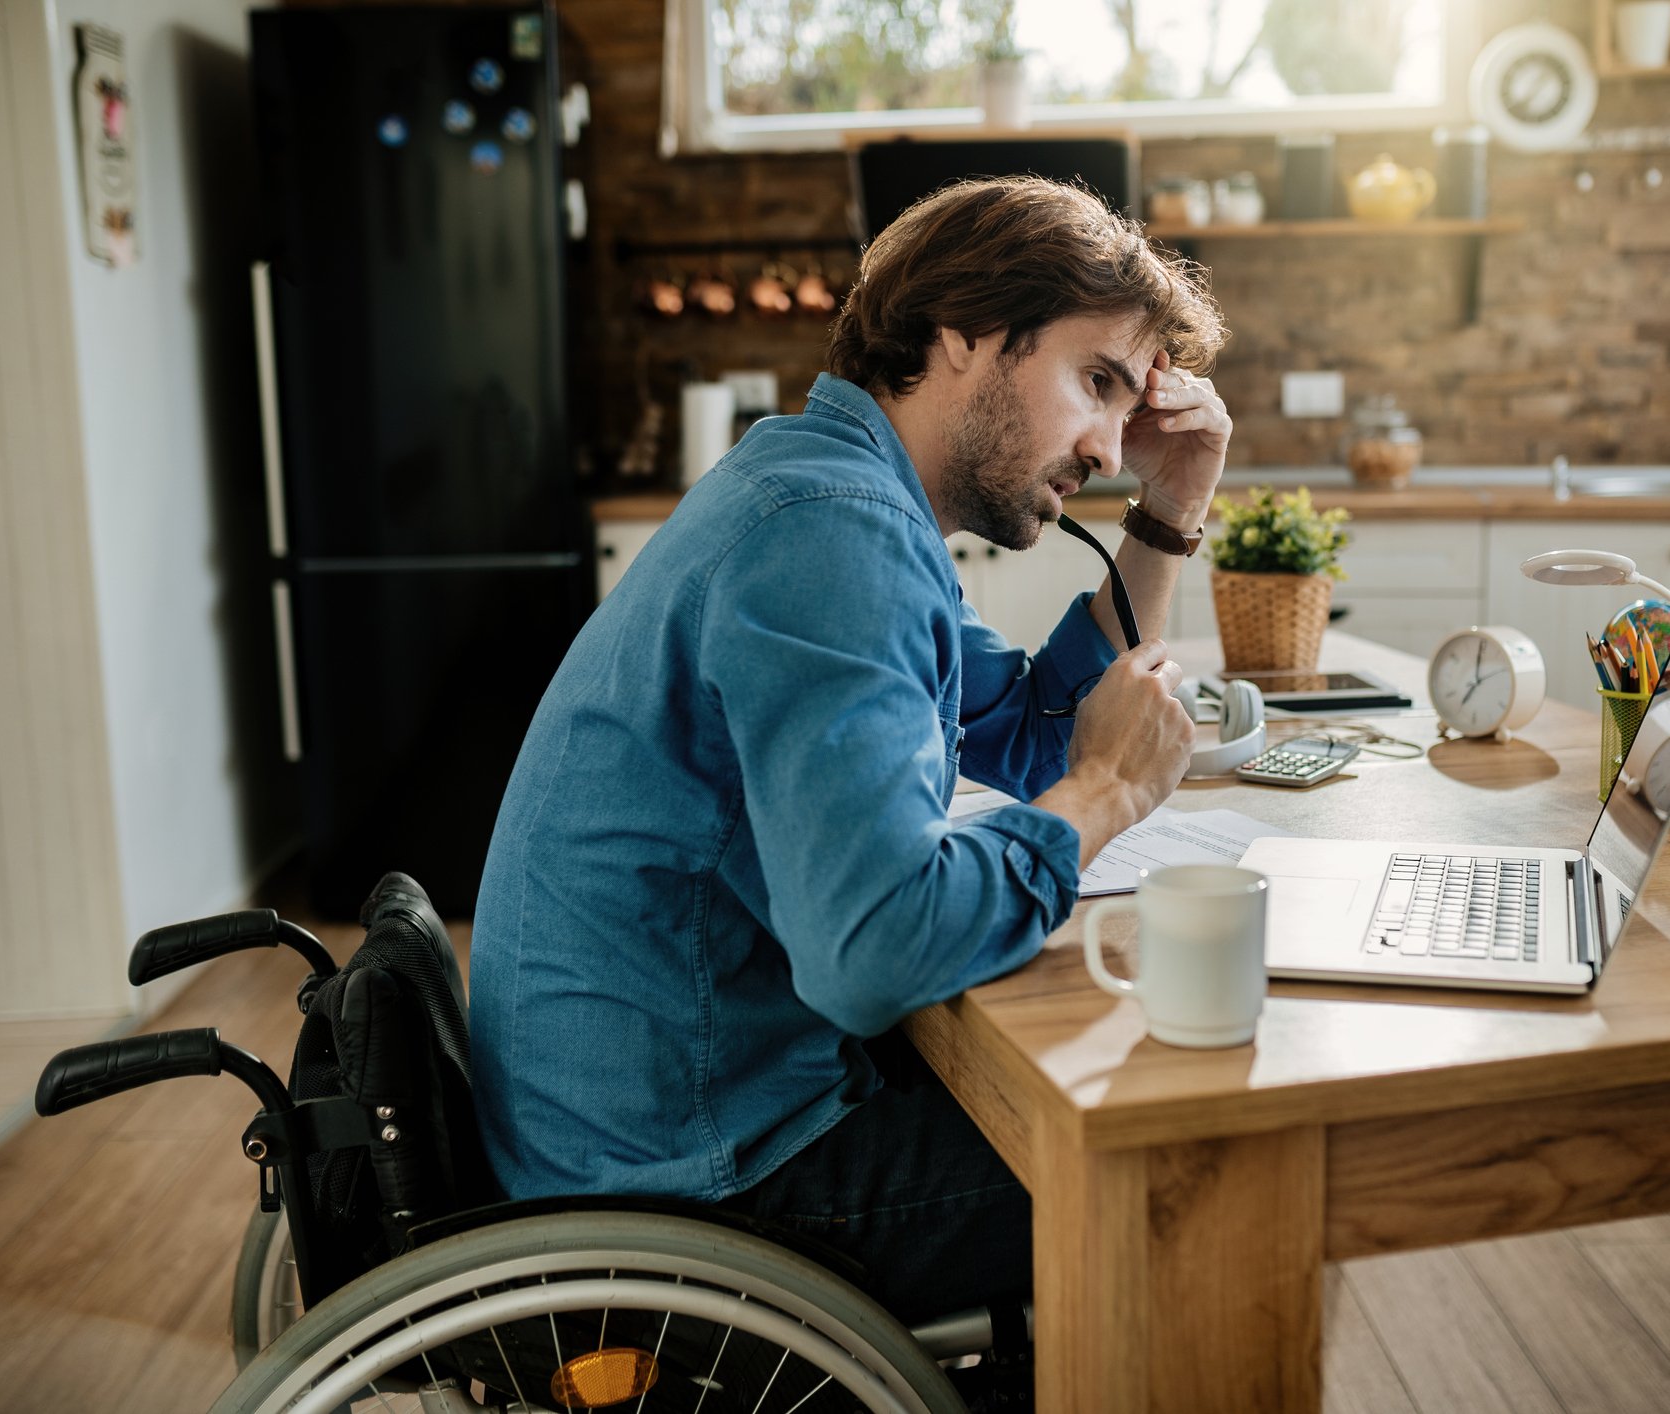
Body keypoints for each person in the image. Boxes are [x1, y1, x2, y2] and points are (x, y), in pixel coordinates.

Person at [470, 176, 1232, 1327]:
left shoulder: (834, 491)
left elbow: (1027, 737)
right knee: (1186, 1172)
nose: (1108, 446)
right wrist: (1111, 789)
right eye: (1096, 383)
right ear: (965, 332)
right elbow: (874, 948)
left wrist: (1170, 511)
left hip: (662, 1121)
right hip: (686, 1183)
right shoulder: (829, 532)